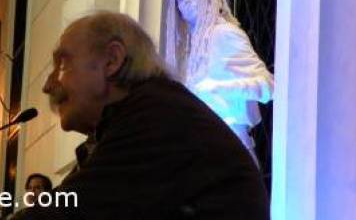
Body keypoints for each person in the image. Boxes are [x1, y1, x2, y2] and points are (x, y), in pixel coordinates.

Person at [15, 11, 269, 219]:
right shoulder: (141, 116)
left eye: (62, 63)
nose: (48, 85)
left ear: (112, 60)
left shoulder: (157, 119)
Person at [164, 0, 274, 163]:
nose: (187, 0)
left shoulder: (224, 33)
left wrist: (220, 87)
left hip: (230, 142)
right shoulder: (191, 51)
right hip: (202, 146)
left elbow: (267, 85)